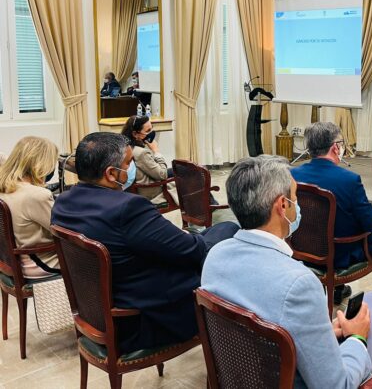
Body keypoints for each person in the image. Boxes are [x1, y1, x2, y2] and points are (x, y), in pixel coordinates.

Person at [202, 155, 372, 389]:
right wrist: (357, 337)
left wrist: (320, 336)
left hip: (252, 375)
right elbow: (337, 386)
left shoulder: (215, 257)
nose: (298, 205)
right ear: (283, 206)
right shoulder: (299, 283)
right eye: (295, 197)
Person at [51, 132, 239, 353]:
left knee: (213, 234)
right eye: (129, 163)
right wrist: (193, 238)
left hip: (99, 312)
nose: (132, 169)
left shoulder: (63, 203)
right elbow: (191, 251)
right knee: (228, 232)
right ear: (111, 173)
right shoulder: (128, 208)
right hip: (142, 321)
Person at [291, 122, 372, 308]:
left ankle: (337, 289)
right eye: (341, 143)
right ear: (335, 147)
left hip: (303, 250)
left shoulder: (293, 175)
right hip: (339, 255)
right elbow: (370, 222)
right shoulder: (349, 180)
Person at [0, 137, 60, 278]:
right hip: (40, 264)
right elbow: (62, 231)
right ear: (42, 164)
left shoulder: (6, 185)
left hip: (11, 262)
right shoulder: (37, 195)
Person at [121, 115, 177, 205]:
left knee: (179, 169)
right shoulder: (141, 153)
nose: (151, 133)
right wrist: (156, 151)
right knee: (188, 175)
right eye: (148, 131)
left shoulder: (125, 147)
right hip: (152, 192)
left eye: (151, 129)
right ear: (135, 134)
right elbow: (162, 175)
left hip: (140, 186)